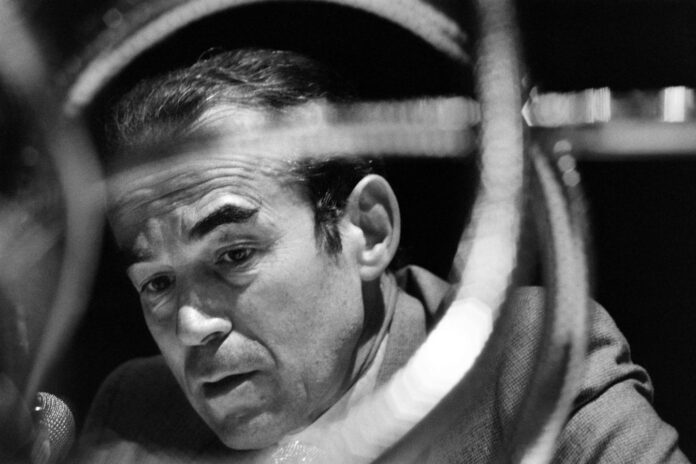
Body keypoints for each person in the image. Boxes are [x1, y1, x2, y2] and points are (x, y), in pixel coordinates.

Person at [76, 48, 690, 463]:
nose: (191, 326)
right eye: (157, 283)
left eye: (234, 254)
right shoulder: (133, 411)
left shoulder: (523, 362)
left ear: (367, 230)